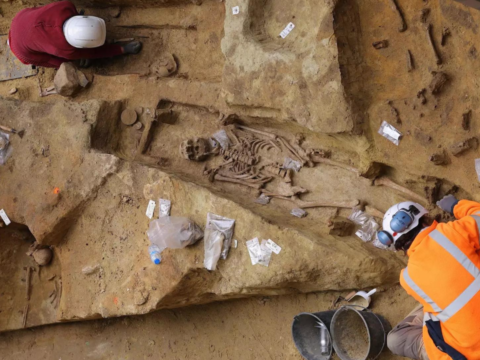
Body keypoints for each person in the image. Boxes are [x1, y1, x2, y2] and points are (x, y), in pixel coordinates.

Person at [376, 196, 480, 360]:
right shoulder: (453, 231)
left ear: (398, 246)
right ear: (425, 218)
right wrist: (455, 206)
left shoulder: (408, 279)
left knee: (396, 339)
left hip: (461, 354)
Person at [8, 1, 142, 69]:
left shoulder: (66, 6)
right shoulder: (65, 50)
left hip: (20, 19)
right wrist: (122, 49)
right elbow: (94, 53)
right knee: (61, 63)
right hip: (23, 51)